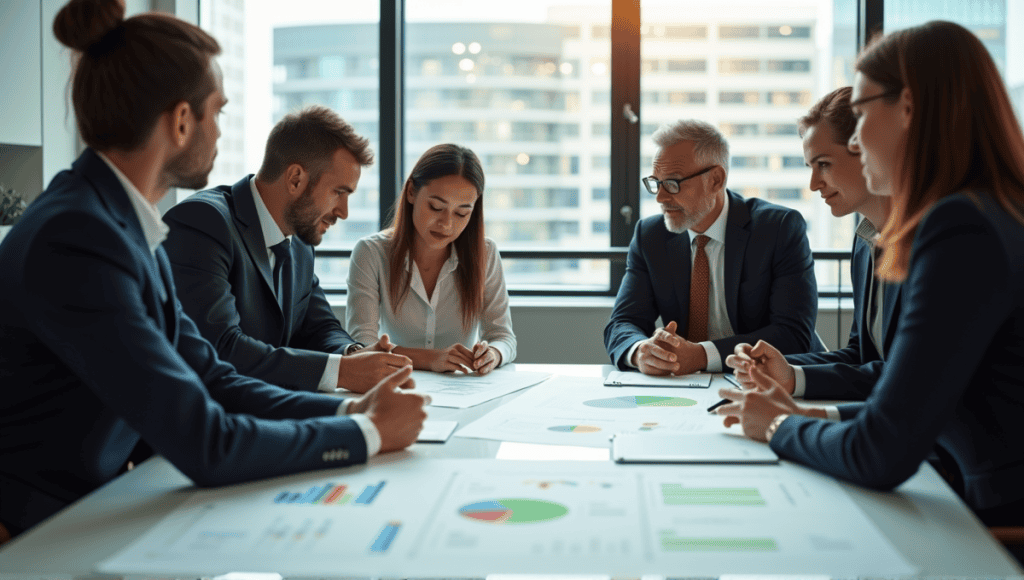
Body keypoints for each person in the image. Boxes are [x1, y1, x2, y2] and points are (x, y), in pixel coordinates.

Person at [0, 0, 427, 538]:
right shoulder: (79, 237)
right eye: (218, 111)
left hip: (96, 505)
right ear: (182, 120)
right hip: (38, 530)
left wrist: (347, 414)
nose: (221, 133)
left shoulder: (126, 224)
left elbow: (210, 376)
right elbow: (205, 440)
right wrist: (367, 434)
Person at [717, 21, 1024, 526]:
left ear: (908, 108)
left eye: (859, 115)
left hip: (997, 524)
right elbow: (924, 403)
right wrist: (804, 414)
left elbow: (881, 451)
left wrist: (776, 426)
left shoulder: (959, 227)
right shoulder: (991, 210)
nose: (857, 138)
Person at [162, 106, 410, 394]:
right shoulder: (204, 223)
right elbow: (221, 347)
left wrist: (354, 354)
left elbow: (319, 327)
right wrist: (342, 373)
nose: (343, 212)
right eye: (339, 193)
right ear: (295, 179)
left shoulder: (299, 240)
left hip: (270, 408)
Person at [604, 119, 824, 377]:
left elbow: (792, 334)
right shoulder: (650, 236)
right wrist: (640, 350)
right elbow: (623, 322)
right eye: (656, 183)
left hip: (776, 382)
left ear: (716, 180)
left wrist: (700, 355)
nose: (661, 198)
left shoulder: (777, 229)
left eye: (673, 183)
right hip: (689, 385)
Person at [729, 87, 901, 406]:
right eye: (811, 167)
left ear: (868, 151)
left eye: (823, 164)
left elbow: (905, 379)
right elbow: (860, 354)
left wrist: (797, 383)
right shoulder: (865, 242)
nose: (814, 184)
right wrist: (788, 370)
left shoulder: (928, 245)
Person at [346, 144, 516, 375]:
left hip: (461, 389)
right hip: (396, 384)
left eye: (461, 213)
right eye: (436, 207)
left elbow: (503, 337)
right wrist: (430, 359)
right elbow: (362, 346)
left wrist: (493, 354)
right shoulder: (371, 252)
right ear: (411, 193)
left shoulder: (485, 253)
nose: (447, 224)